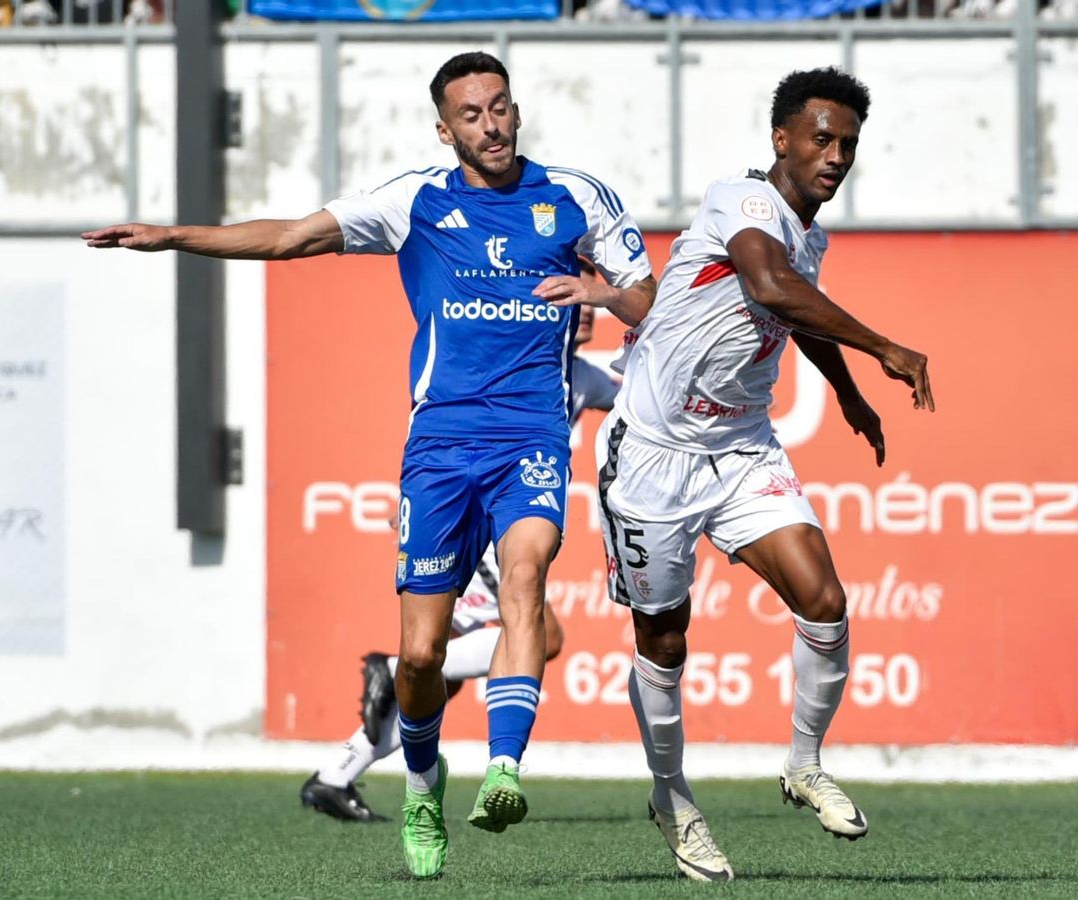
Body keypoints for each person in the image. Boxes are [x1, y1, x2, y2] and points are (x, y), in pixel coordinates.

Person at [83, 52, 655, 879]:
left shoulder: (576, 196)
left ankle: (504, 770)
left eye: (499, 108)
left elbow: (653, 297)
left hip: (528, 440)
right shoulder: (414, 200)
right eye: (470, 114)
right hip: (439, 449)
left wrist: (599, 294)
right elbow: (287, 238)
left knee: (528, 581)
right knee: (418, 657)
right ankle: (424, 785)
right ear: (445, 127)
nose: (489, 125)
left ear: (516, 112)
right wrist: (174, 236)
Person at [595, 67, 933, 882]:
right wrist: (883, 347)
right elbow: (769, 284)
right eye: (821, 137)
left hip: (742, 447)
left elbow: (794, 299)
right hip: (652, 453)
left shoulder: (806, 236)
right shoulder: (740, 203)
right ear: (781, 139)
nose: (836, 154)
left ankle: (804, 762)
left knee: (824, 599)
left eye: (848, 143)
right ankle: (672, 797)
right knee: (664, 639)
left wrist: (848, 393)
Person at [300, 260, 622, 824]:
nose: (587, 305)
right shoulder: (500, 354)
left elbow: (638, 400)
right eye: (577, 291)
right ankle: (392, 670)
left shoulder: (581, 374)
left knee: (434, 680)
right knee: (536, 637)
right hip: (471, 521)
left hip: (508, 519)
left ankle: (335, 774)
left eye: (592, 295)